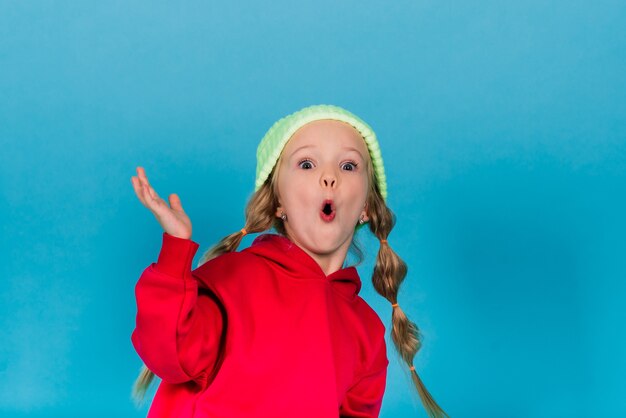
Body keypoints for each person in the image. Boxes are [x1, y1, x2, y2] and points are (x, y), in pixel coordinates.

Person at [129, 104, 448, 418]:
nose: (329, 177)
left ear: (366, 207)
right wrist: (175, 250)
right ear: (278, 202)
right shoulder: (232, 279)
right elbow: (167, 354)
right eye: (307, 164)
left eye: (348, 166)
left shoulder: (365, 330)